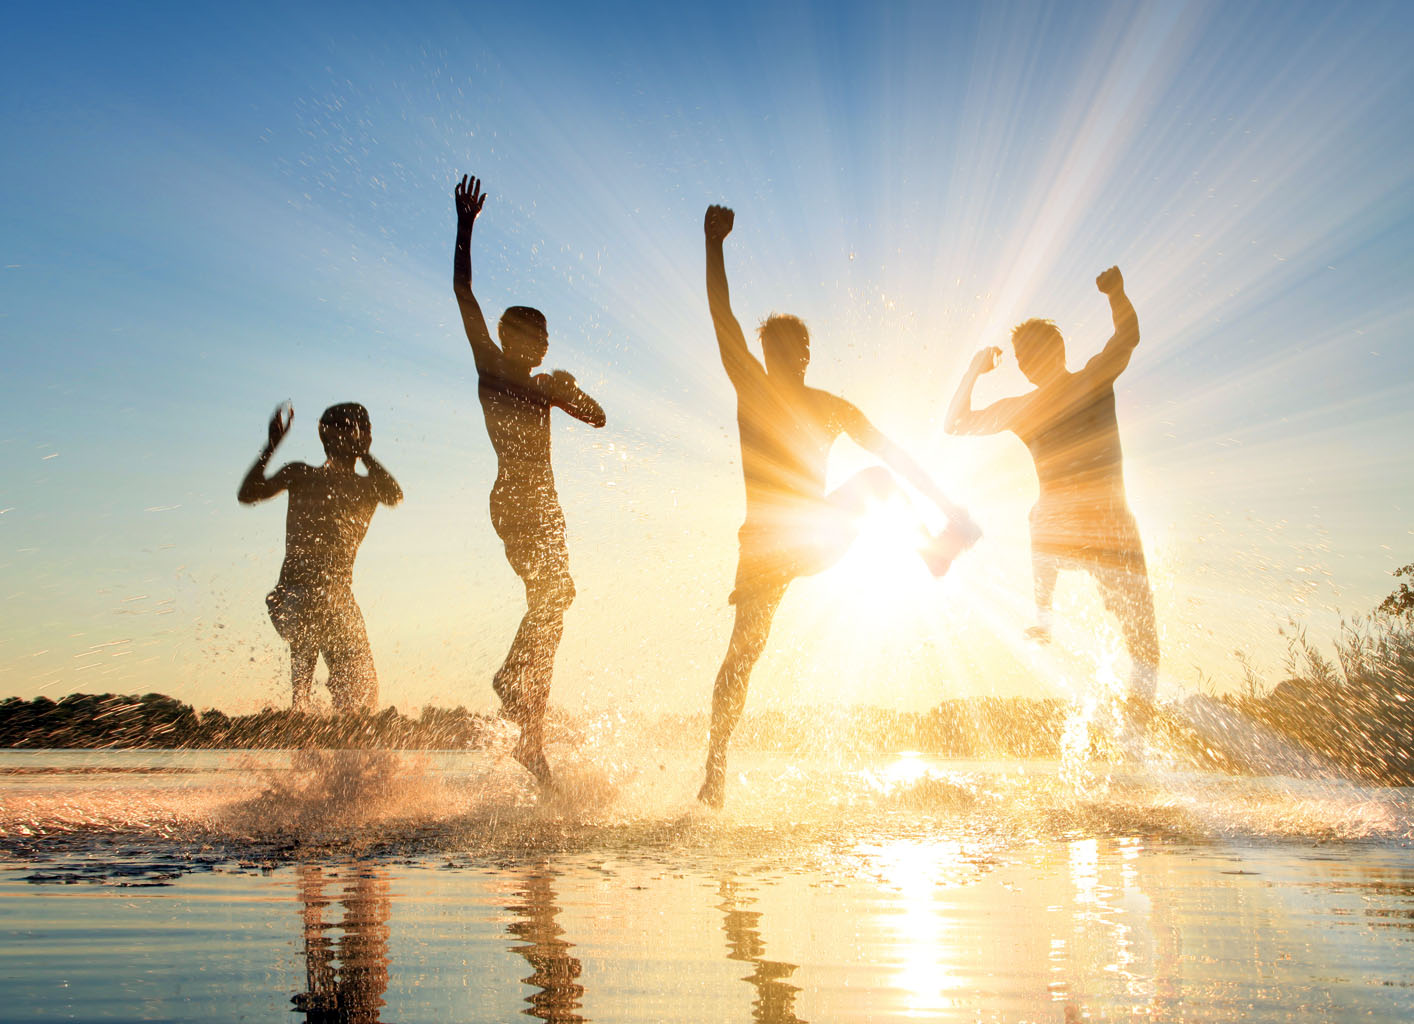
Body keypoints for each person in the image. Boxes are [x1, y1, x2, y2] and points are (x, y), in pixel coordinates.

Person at [698, 204, 979, 808]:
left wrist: (945, 506)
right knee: (742, 655)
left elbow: (896, 458)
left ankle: (931, 550)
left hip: (813, 532)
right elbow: (721, 316)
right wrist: (712, 244)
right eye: (771, 348)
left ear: (806, 355)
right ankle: (715, 771)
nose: (780, 357)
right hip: (767, 544)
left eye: (791, 349)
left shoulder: (829, 405)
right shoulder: (751, 384)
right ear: (765, 353)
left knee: (877, 477)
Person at [945, 266, 1158, 750]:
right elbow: (955, 425)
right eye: (1021, 358)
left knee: (1145, 647)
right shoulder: (1038, 401)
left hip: (1101, 527)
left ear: (1057, 351)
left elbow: (1127, 336)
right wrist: (972, 370)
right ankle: (1045, 614)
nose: (1024, 364)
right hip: (1094, 526)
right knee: (1044, 513)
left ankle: (1131, 741)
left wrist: (1117, 293)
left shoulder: (1087, 381)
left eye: (1030, 354)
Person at [452, 174, 607, 788]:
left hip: (543, 505)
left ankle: (530, 737)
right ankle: (513, 689)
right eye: (520, 334)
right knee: (552, 600)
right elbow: (463, 291)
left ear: (542, 348)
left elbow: (599, 418)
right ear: (507, 336)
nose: (528, 345)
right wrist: (465, 227)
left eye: (537, 340)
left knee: (553, 603)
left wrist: (574, 393)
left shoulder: (545, 386)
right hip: (515, 501)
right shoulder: (491, 366)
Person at [238, 402, 402, 713]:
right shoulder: (301, 474)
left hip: (339, 602)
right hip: (293, 597)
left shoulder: (368, 488)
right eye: (352, 431)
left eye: (363, 432)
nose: (358, 437)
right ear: (328, 437)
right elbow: (248, 494)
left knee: (362, 695)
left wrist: (364, 453)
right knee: (319, 599)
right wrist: (270, 446)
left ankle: (344, 744)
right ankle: (300, 703)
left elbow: (394, 495)